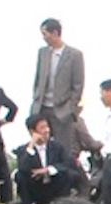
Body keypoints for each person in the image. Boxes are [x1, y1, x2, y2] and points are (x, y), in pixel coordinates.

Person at [30, 18, 85, 150]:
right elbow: (38, 79)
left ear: (55, 33)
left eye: (45, 34)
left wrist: (71, 109)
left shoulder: (74, 55)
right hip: (41, 107)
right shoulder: (42, 53)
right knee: (41, 147)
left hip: (62, 110)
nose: (43, 38)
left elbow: (78, 84)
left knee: (62, 148)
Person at [15, 115, 75, 204]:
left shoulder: (57, 147)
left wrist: (48, 170)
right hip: (36, 188)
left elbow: (68, 164)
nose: (46, 130)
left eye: (47, 127)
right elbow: (22, 168)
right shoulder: (23, 150)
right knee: (20, 175)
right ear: (32, 132)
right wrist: (31, 145)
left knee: (68, 174)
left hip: (53, 187)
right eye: (42, 128)